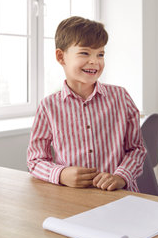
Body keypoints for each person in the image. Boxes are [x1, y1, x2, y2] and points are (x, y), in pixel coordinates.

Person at [27, 16, 146, 192]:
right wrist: (61, 174)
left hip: (119, 197)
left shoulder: (121, 97)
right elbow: (35, 160)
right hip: (72, 200)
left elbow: (136, 149)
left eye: (100, 54)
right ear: (61, 57)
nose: (95, 61)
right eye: (85, 53)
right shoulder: (48, 106)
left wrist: (121, 176)